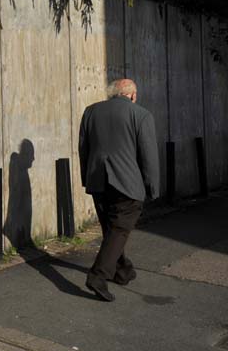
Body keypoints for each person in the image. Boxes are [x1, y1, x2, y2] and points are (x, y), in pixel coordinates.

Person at [78, 78, 159, 302]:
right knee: (119, 230)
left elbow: (83, 148)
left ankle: (122, 270)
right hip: (127, 184)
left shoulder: (90, 112)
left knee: (112, 229)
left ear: (112, 94)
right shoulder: (141, 115)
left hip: (98, 181)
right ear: (132, 95)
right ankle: (98, 276)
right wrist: (152, 187)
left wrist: (87, 178)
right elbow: (148, 156)